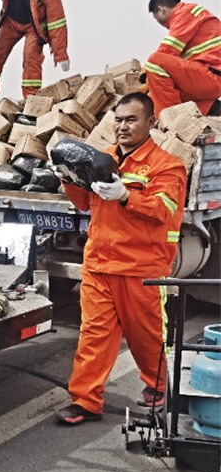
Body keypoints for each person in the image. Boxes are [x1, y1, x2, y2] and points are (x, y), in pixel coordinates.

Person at [54, 92, 187, 425]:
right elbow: (84, 203)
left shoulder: (167, 166)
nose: (122, 126)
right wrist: (67, 177)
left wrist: (128, 196)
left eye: (131, 120)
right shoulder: (102, 160)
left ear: (150, 123)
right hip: (99, 264)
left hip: (141, 269)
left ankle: (158, 388)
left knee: (147, 337)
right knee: (93, 336)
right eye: (118, 119)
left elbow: (163, 210)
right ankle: (84, 402)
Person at [144, 0, 221, 117]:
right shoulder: (189, 20)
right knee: (158, 94)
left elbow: (167, 50)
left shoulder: (186, 12)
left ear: (161, 9)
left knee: (154, 61)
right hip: (207, 76)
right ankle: (209, 109)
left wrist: (144, 73)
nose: (161, 24)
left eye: (156, 18)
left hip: (211, 75)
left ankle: (171, 123)